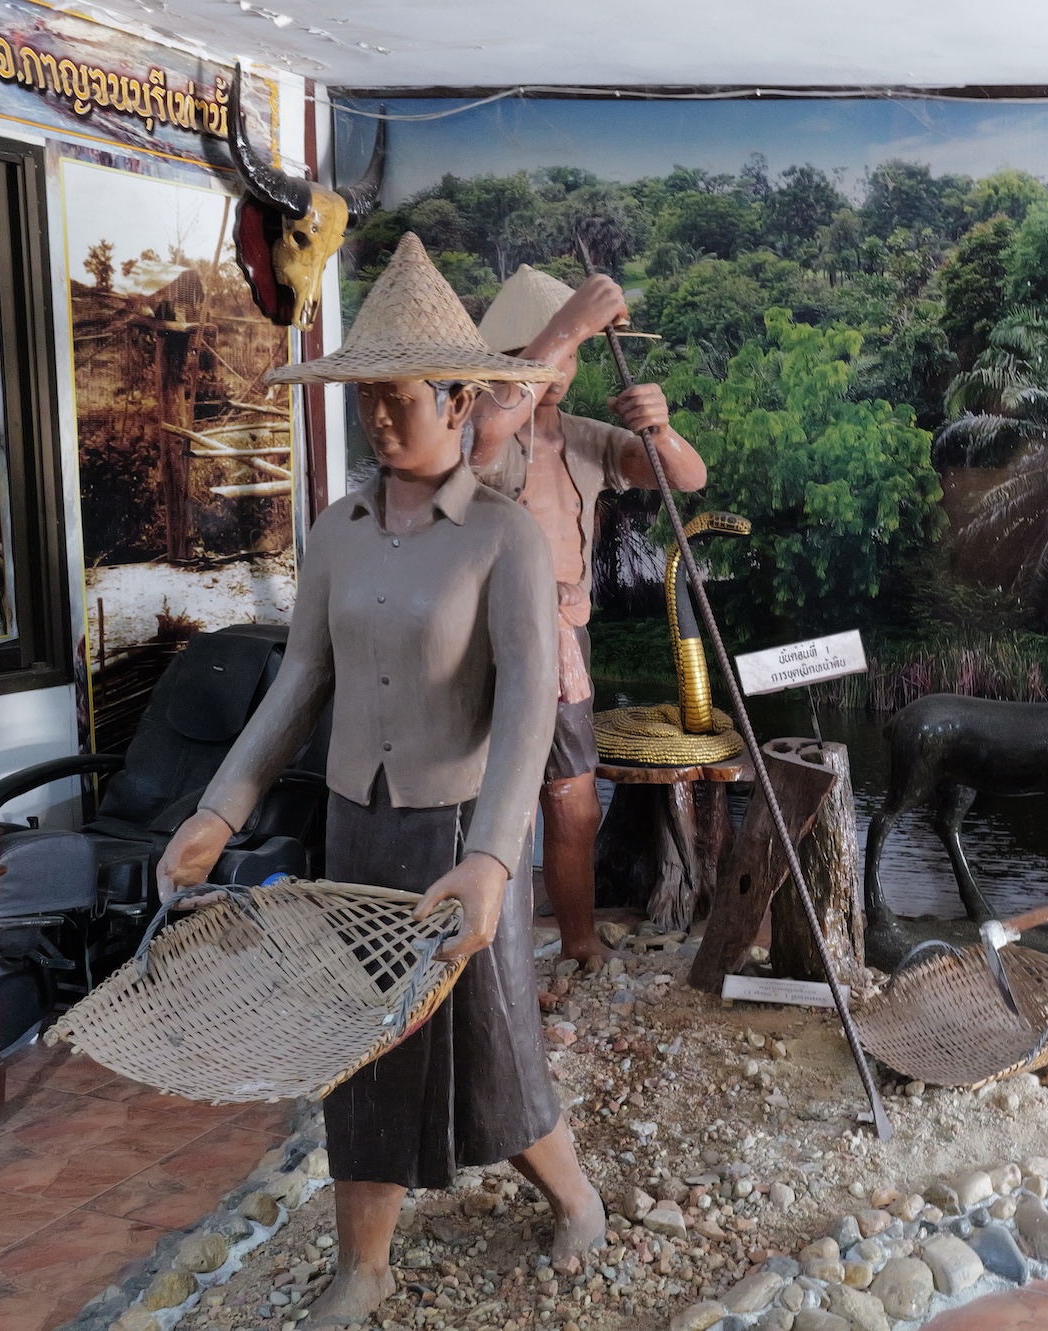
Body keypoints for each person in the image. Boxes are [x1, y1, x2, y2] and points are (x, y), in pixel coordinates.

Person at [156, 235, 605, 1328]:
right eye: (366, 399)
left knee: (492, 1033)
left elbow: (525, 708)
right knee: (363, 1044)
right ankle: (364, 1263)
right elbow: (298, 682)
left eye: (400, 398)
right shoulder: (337, 533)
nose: (380, 419)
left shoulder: (502, 539)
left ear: (460, 401)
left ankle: (576, 1196)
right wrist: (220, 809)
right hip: (359, 825)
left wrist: (493, 858)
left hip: (461, 833)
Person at [469, 264, 708, 969]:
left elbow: (685, 477)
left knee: (572, 798)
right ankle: (490, 946)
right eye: (539, 353)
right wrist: (567, 327)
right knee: (490, 798)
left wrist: (658, 427)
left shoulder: (584, 438)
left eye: (570, 354)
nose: (557, 369)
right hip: (481, 640)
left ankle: (576, 938)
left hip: (565, 640)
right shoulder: (474, 424)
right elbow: (485, 432)